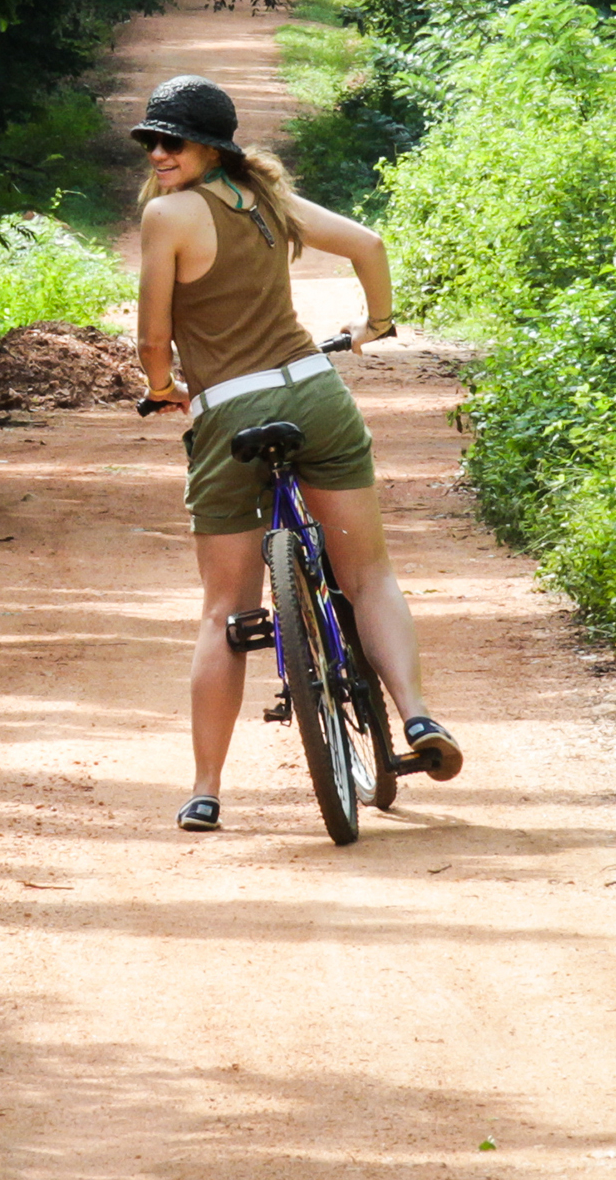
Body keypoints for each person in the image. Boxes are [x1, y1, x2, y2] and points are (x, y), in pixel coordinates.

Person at [127, 72, 461, 833]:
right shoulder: (269, 201)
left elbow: (153, 340)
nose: (157, 154)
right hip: (315, 394)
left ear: (210, 149)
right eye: (150, 141)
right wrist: (377, 323)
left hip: (229, 412)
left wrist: (161, 386)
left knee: (225, 613)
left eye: (171, 142)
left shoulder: (169, 217)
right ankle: (414, 717)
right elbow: (367, 244)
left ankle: (207, 789)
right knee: (368, 573)